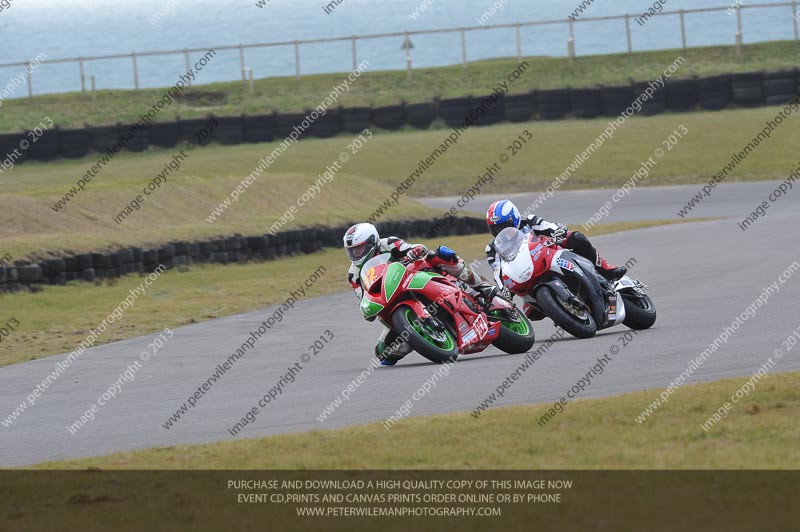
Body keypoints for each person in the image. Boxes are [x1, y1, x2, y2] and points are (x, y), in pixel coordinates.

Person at [344, 222, 499, 365]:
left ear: (372, 242)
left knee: (438, 254)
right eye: (352, 251)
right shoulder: (353, 273)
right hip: (389, 299)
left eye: (359, 248)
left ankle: (482, 286)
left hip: (413, 276)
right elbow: (362, 297)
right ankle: (423, 336)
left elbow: (417, 248)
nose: (356, 253)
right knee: (383, 353)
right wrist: (366, 308)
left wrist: (414, 251)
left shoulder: (389, 243)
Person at [484, 199, 627, 280]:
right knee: (531, 311)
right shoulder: (493, 249)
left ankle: (604, 269)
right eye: (495, 228)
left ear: (514, 217)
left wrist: (559, 232)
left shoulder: (530, 222)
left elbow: (549, 227)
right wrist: (502, 290)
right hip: (525, 275)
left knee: (577, 238)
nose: (500, 231)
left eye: (503, 226)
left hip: (548, 256)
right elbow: (498, 273)